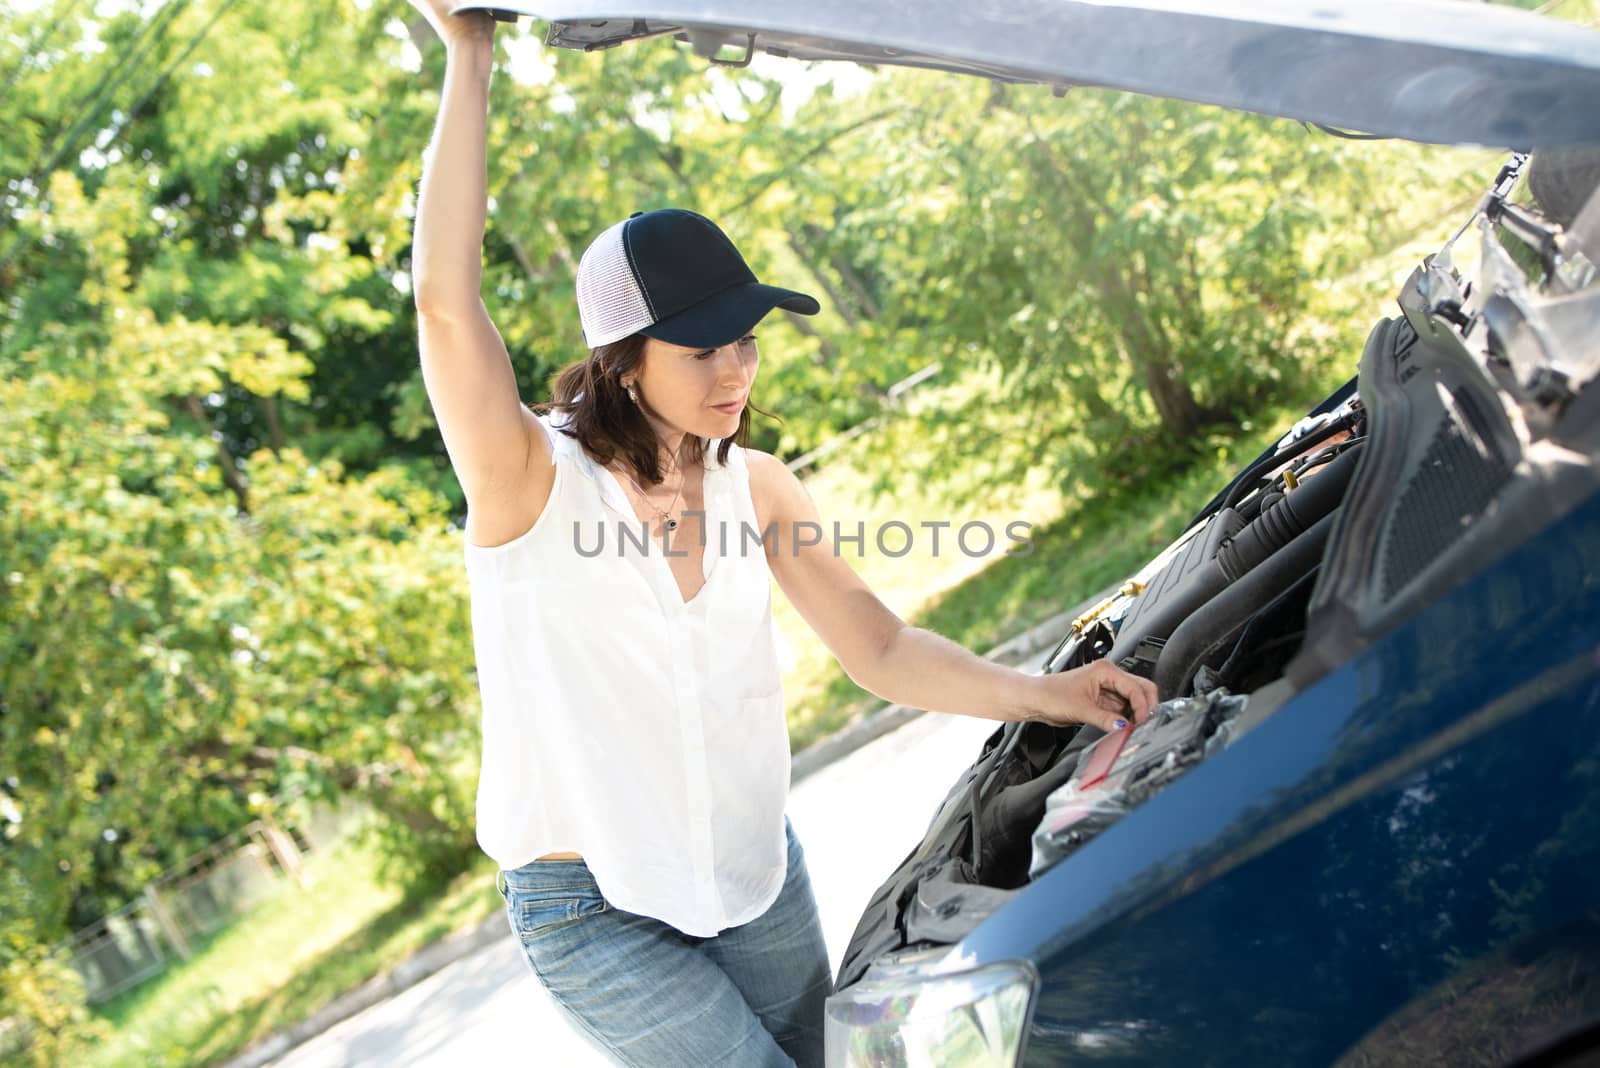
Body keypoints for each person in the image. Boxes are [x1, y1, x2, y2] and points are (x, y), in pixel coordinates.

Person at [405, 3, 1159, 1064]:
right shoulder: (528, 479)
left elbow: (882, 649)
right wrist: (469, 54)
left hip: (750, 868)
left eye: (745, 343)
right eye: (700, 351)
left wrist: (1051, 692)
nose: (735, 374)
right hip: (590, 906)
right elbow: (444, 303)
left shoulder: (755, 487)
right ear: (623, 358)